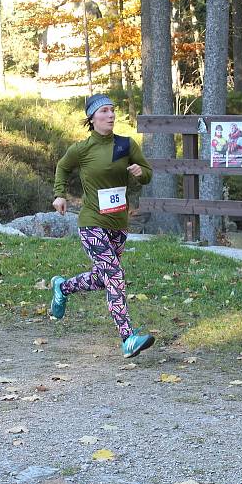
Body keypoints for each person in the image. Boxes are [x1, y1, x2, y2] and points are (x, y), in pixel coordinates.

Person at [49, 94, 155, 358]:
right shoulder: (82, 149)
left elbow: (147, 173)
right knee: (115, 277)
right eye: (105, 111)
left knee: (103, 278)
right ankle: (128, 338)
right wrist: (59, 194)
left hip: (119, 224)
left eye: (112, 110)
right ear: (92, 118)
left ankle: (62, 287)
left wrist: (141, 173)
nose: (110, 115)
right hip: (91, 223)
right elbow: (62, 167)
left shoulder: (125, 144)